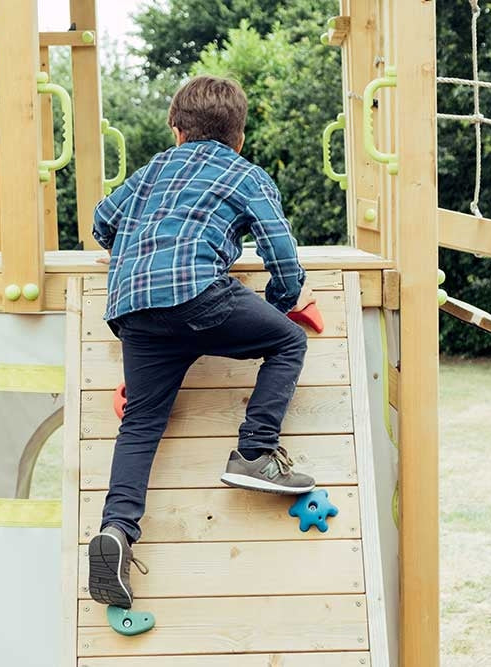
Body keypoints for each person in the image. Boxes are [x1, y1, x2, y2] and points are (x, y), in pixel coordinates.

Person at [86, 75, 316, 609]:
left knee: (141, 422)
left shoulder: (149, 173)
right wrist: (280, 303)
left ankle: (116, 530)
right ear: (240, 135)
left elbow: (102, 223)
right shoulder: (245, 173)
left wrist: (132, 248)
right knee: (286, 344)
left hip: (134, 309)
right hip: (198, 295)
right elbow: (281, 253)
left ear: (175, 130)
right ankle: (254, 454)